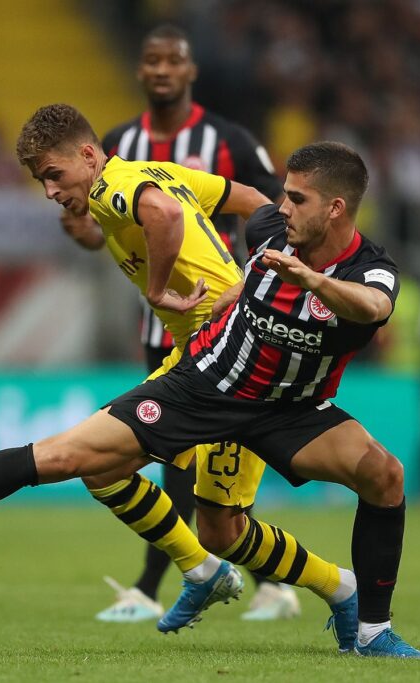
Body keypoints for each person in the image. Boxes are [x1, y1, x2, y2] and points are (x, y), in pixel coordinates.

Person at [0, 106, 420, 658]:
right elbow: (243, 237)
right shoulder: (268, 230)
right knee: (70, 459)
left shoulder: (368, 267)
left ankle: (372, 629)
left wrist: (297, 280)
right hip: (207, 384)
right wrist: (231, 292)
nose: (282, 206)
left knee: (383, 474)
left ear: (335, 209)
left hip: (295, 409)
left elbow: (372, 308)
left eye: (296, 199)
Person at [60, 24, 296, 624]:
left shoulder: (229, 139)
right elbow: (107, 233)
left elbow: (273, 209)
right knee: (176, 453)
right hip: (161, 322)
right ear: (140, 72)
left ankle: (169, 582)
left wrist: (250, 280)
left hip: (224, 317)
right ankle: (243, 575)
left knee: (197, 451)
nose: (162, 70)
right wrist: (85, 232)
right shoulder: (117, 142)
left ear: (191, 72)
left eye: (174, 61)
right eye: (152, 61)